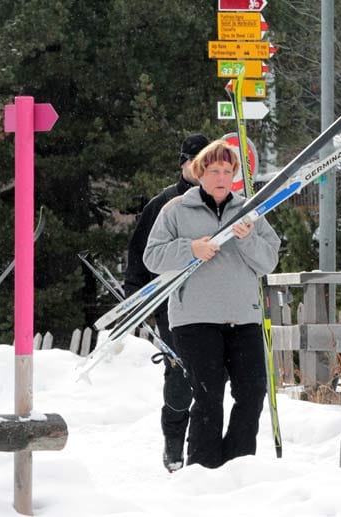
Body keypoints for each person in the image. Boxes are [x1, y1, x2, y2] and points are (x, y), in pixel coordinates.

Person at [143, 140, 280, 469]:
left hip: (243, 318)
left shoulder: (249, 212)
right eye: (214, 171)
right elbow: (153, 257)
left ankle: (236, 466)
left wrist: (247, 239)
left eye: (227, 171)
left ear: (235, 174)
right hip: (195, 319)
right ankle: (203, 471)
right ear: (199, 173)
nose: (221, 177)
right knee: (208, 397)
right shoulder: (175, 210)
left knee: (252, 393)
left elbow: (268, 261)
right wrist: (190, 249)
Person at [124, 133, 210, 473]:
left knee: (208, 380)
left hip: (211, 303)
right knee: (181, 377)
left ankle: (200, 451)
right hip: (170, 304)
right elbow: (138, 254)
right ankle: (174, 444)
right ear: (184, 163)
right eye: (195, 162)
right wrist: (135, 297)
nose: (202, 169)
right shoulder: (163, 204)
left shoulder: (219, 200)